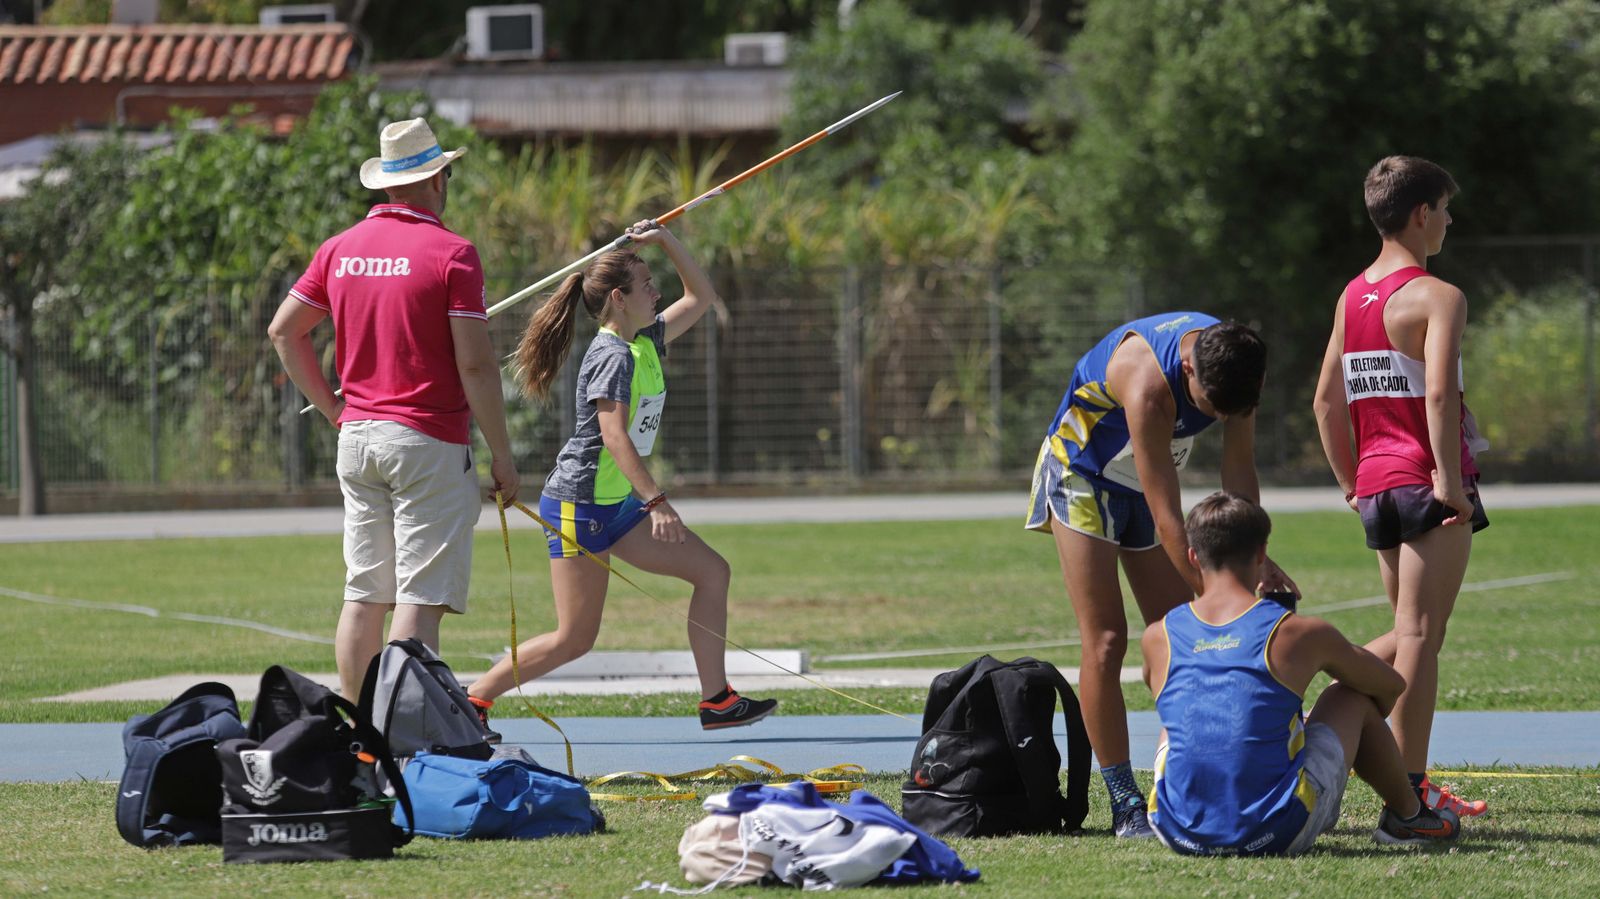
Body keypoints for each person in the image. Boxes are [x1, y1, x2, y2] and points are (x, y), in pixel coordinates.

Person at [464, 219, 777, 732]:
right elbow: (615, 438)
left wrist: (665, 240)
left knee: (712, 571)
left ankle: (716, 699)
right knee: (575, 638)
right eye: (646, 284)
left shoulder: (647, 340)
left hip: (615, 506)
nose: (656, 291)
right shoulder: (611, 355)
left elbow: (700, 296)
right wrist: (657, 502)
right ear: (618, 297)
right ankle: (473, 701)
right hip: (578, 506)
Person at [268, 118, 519, 702]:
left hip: (356, 439)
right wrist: (502, 454)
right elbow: (477, 366)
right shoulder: (453, 252)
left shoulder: (339, 249)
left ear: (387, 184)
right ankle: (404, 735)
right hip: (426, 442)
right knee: (420, 600)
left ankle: (363, 740)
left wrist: (331, 407)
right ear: (438, 178)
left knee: (364, 597)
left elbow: (284, 332)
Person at [1025, 312, 1296, 838]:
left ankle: (1200, 777)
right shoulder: (1147, 383)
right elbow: (1169, 516)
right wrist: (1226, 597)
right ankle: (1125, 802)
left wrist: (1253, 560)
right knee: (1106, 640)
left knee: (1180, 632)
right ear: (1188, 370)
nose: (1218, 419)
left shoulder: (1235, 367)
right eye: (1207, 409)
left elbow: (1238, 474)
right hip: (1082, 477)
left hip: (1137, 481)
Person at [1312, 156, 1490, 818]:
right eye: (1444, 207)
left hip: (1380, 483)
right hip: (1426, 478)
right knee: (1418, 635)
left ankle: (1340, 699)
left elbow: (1326, 402)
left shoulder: (1350, 295)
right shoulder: (1438, 295)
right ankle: (1407, 800)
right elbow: (1439, 391)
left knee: (1416, 631)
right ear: (1421, 214)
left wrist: (1350, 484)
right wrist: (1448, 479)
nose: (1448, 219)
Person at [1144, 492, 1462, 854]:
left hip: (1176, 830)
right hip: (1275, 831)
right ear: (1262, 555)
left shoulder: (1158, 635)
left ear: (1192, 556)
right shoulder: (1298, 631)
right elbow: (1392, 684)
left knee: (1185, 706)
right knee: (1348, 696)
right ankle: (1408, 817)